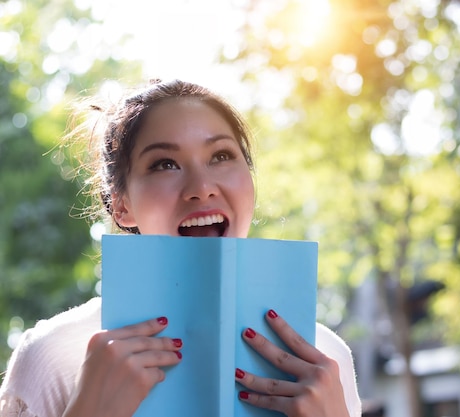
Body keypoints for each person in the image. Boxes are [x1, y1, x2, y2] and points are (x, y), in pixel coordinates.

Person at [0, 79, 362, 417]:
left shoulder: (326, 360)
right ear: (121, 205)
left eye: (221, 156)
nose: (202, 187)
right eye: (164, 164)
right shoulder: (53, 357)